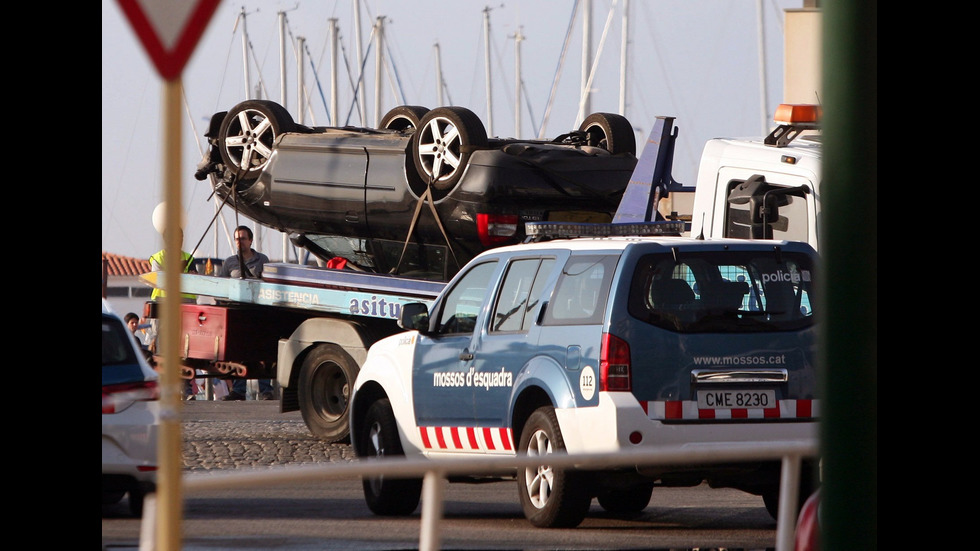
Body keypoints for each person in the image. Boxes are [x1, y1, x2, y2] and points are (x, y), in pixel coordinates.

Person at [219, 225, 275, 401]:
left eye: (243, 238)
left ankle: (265, 389)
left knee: (262, 350)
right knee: (238, 352)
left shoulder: (262, 260)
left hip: (258, 312)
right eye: (237, 239)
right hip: (237, 312)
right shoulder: (230, 262)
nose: (239, 242)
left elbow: (269, 283)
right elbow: (221, 286)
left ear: (250, 241)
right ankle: (239, 390)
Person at [147, 229, 198, 400]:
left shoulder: (189, 258)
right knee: (162, 352)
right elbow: (159, 280)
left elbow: (194, 280)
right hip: (162, 310)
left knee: (184, 351)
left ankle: (185, 389)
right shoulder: (158, 258)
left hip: (185, 309)